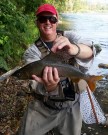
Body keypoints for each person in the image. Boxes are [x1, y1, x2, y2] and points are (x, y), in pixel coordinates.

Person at [18, 4, 95, 135]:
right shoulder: (31, 52)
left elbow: (90, 51)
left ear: (57, 20)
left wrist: (74, 48)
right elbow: (35, 84)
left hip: (72, 106)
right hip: (44, 107)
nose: (48, 22)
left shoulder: (70, 36)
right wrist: (50, 87)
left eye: (52, 19)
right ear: (37, 22)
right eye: (43, 19)